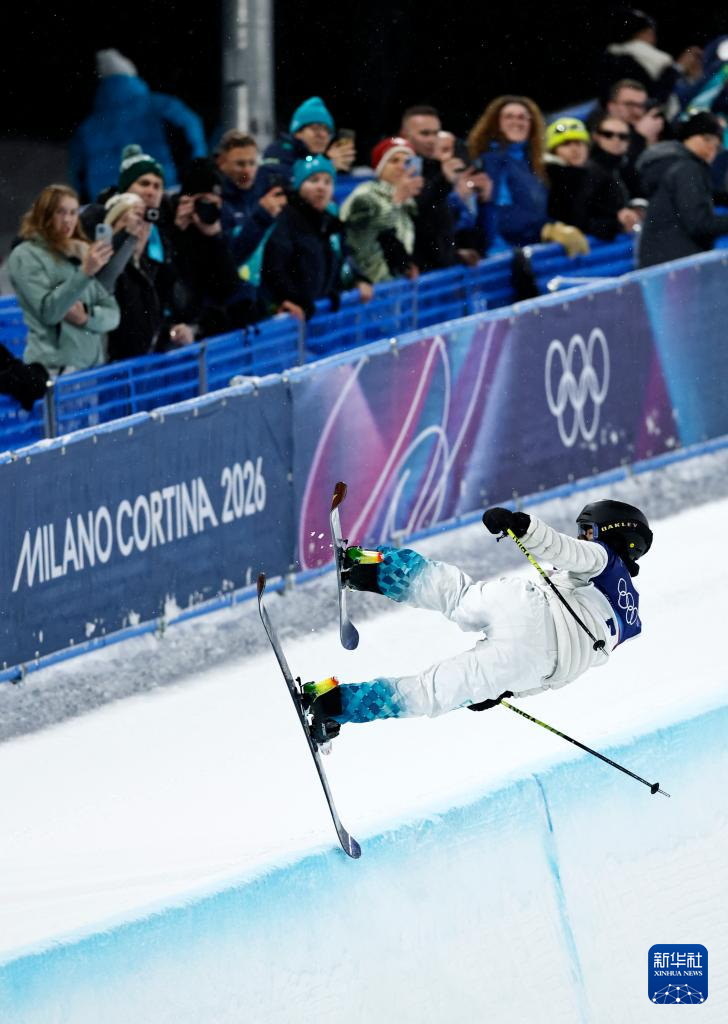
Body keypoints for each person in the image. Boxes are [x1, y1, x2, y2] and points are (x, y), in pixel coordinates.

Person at [303, 501, 653, 742]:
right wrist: (507, 690)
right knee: (431, 692)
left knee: (456, 594)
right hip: (531, 665)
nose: (582, 538)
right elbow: (567, 671)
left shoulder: (604, 559)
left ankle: (366, 568)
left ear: (616, 536)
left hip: (530, 610)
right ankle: (333, 704)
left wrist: (523, 527)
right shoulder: (627, 623)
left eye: (588, 531)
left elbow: (564, 550)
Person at [69, 49, 207, 202]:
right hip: (162, 191)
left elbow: (78, 172)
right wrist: (197, 173)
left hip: (110, 201)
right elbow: (191, 129)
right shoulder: (160, 105)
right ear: (132, 75)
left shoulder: (88, 126)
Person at [8, 184, 119, 373]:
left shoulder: (80, 252)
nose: (68, 219)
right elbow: (49, 312)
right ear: (44, 214)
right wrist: (85, 273)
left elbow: (113, 315)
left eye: (73, 213)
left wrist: (86, 317)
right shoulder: (25, 256)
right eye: (60, 212)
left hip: (91, 370)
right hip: (54, 369)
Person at [261, 155, 372, 321]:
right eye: (313, 180)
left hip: (318, 312)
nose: (321, 187)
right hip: (294, 317)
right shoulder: (285, 219)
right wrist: (291, 299)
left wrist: (356, 279)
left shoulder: (329, 221)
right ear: (299, 185)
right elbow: (275, 268)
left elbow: (341, 259)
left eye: (328, 182)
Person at [637, 110, 728, 268]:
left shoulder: (672, 167)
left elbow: (712, 197)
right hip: (677, 265)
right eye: (714, 144)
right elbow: (699, 223)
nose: (714, 152)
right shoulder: (688, 169)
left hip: (662, 263)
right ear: (698, 138)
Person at [215, 130, 288, 324]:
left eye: (252, 163)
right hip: (232, 312)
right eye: (240, 164)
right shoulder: (216, 204)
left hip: (263, 305)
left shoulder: (262, 195)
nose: (247, 170)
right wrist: (261, 218)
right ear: (222, 163)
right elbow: (229, 258)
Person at [398, 104, 480, 270]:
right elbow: (413, 213)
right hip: (416, 275)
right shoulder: (398, 170)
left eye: (435, 133)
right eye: (425, 133)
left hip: (439, 269)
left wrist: (454, 254)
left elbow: (436, 226)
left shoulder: (436, 169)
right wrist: (444, 181)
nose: (432, 139)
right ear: (405, 136)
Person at [464, 95, 549, 252]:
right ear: (496, 124)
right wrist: (546, 228)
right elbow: (502, 216)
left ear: (531, 124)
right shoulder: (492, 161)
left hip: (534, 248)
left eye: (522, 117)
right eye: (509, 117)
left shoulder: (533, 165)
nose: (516, 122)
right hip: (506, 254)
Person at [340, 137, 423, 283]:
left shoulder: (407, 199)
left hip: (394, 283)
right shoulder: (365, 195)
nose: (401, 167)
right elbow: (364, 239)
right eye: (394, 161)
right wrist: (397, 200)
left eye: (407, 162)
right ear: (380, 166)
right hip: (370, 285)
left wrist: (406, 264)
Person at [597, 8, 703, 110]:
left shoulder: (612, 58)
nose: (653, 37)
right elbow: (652, 102)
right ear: (645, 33)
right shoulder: (625, 60)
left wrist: (689, 77)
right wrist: (677, 69)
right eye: (649, 32)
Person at [544, 117, 629, 240]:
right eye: (566, 144)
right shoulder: (549, 182)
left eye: (579, 143)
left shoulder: (600, 175)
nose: (574, 149)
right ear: (553, 152)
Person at [260, 96, 356, 188]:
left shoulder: (314, 157)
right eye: (316, 128)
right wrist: (327, 165)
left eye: (327, 131)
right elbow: (281, 185)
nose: (323, 135)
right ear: (298, 132)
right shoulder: (279, 150)